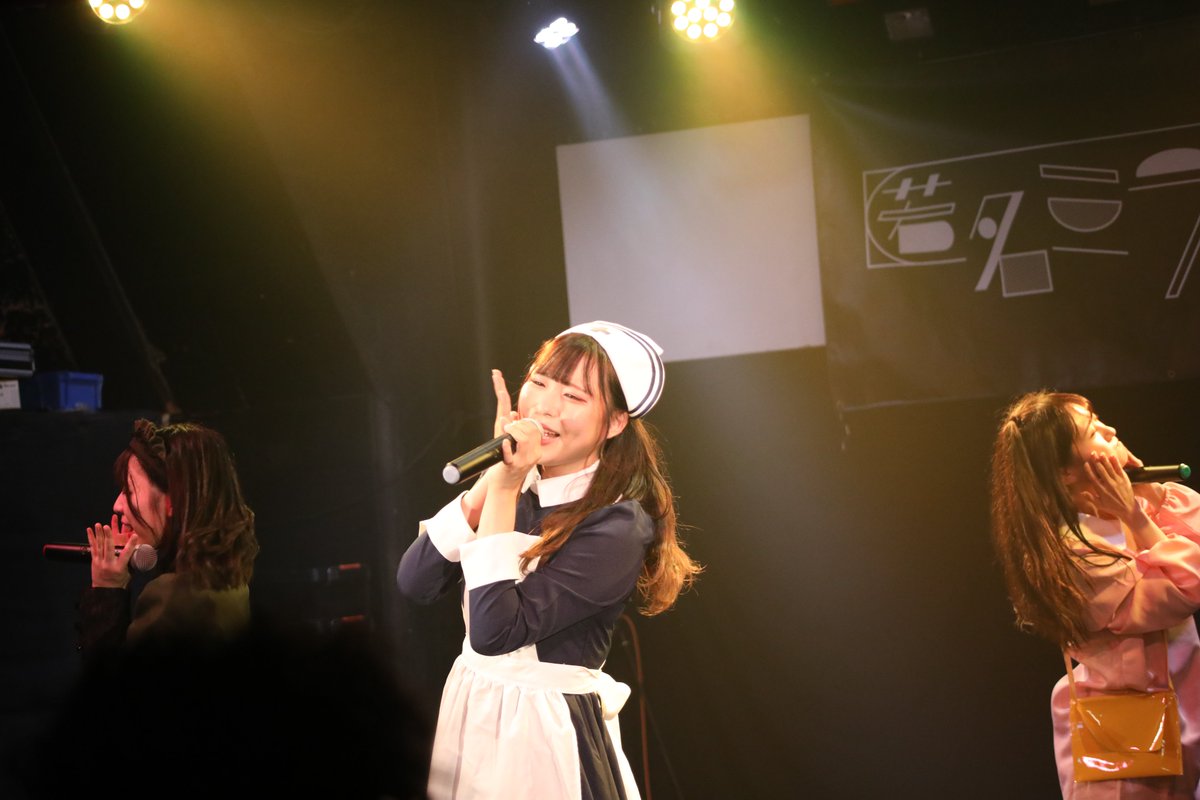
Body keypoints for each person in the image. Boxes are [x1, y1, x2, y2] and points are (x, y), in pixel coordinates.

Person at [397, 320, 701, 800]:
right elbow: (415, 581)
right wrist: (492, 481)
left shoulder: (616, 525)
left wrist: (503, 488)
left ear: (615, 423)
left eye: (574, 396)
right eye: (539, 382)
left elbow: (494, 633)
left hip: (545, 733)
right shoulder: (520, 482)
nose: (545, 406)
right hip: (474, 707)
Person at [990, 390, 1200, 799]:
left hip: (1182, 728)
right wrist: (1133, 514)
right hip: (1126, 754)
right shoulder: (1072, 552)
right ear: (1065, 471)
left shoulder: (1138, 510)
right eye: (1094, 431)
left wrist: (1146, 495)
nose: (1112, 430)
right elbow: (1187, 587)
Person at [77, 419, 259, 658]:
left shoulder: (175, 600)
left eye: (129, 490)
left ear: (173, 498)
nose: (117, 505)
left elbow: (113, 680)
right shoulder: (227, 582)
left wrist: (106, 592)